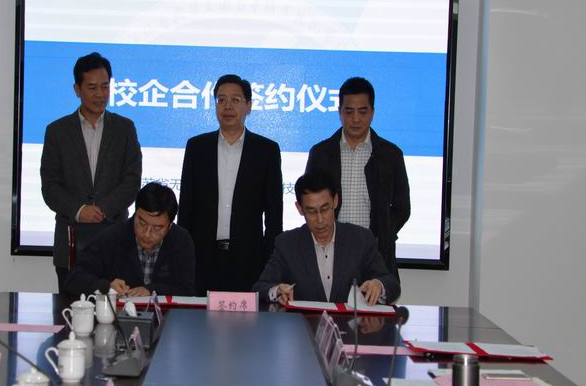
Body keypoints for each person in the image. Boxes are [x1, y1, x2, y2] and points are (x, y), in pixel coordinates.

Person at [41, 52, 142, 292]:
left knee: (116, 309)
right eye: (92, 87)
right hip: (71, 240)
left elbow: (132, 180)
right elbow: (50, 186)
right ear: (77, 89)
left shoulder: (125, 128)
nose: (100, 94)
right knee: (70, 309)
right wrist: (79, 210)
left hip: (115, 239)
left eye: (105, 86)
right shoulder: (57, 131)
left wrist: (102, 208)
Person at [178, 74, 283, 295]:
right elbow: (186, 206)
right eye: (221, 100)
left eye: (235, 100)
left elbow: (274, 214)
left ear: (249, 106)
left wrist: (270, 261)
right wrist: (183, 255)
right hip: (202, 259)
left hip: (248, 261)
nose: (227, 106)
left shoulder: (267, 151)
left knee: (246, 317)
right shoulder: (197, 147)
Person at [306, 77, 410, 278]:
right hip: (329, 253)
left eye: (362, 112)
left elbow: (402, 208)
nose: (355, 119)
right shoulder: (320, 153)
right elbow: (309, 201)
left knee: (374, 298)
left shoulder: (390, 154)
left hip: (374, 255)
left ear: (372, 112)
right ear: (339, 112)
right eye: (348, 111)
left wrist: (383, 234)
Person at [252, 170, 400, 306]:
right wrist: (277, 290)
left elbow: (391, 283)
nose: (320, 219)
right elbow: (260, 288)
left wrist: (378, 285)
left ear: (335, 201)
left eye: (325, 209)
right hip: (303, 325)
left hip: (350, 325)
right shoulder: (287, 243)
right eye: (311, 211)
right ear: (299, 208)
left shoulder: (360, 239)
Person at [65, 182, 195, 297]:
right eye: (142, 223)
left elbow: (187, 291)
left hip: (167, 316)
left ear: (169, 226)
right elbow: (73, 280)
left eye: (156, 228)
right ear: (135, 214)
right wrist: (106, 287)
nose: (147, 234)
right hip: (119, 315)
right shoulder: (113, 237)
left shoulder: (181, 240)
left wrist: (152, 290)